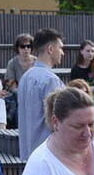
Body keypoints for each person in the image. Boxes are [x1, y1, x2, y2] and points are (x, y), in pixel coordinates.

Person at [18, 28, 66, 160]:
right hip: (48, 154)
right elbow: (58, 120)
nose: (62, 53)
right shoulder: (51, 80)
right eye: (60, 48)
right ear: (50, 49)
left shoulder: (25, 77)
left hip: (29, 153)